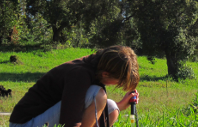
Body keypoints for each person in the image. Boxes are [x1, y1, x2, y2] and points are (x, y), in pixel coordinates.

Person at [9, 45, 140, 127]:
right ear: (105, 74)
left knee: (112, 108)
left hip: (42, 119)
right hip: (25, 124)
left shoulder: (94, 68)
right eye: (119, 82)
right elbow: (69, 121)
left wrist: (122, 105)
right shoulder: (79, 75)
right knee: (98, 95)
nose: (118, 85)